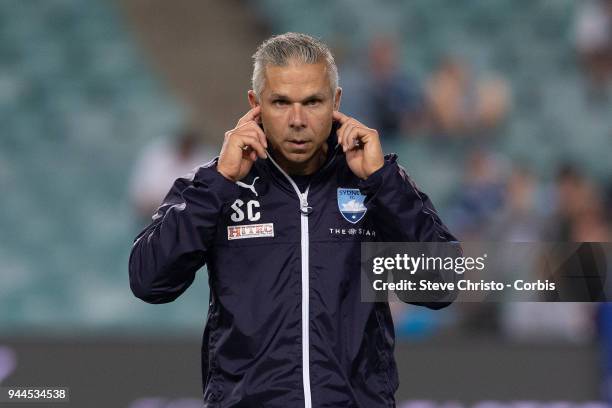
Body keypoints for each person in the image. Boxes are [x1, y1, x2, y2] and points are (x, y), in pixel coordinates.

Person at [129, 32, 458, 407]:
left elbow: (441, 286)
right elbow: (148, 281)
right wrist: (219, 184)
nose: (298, 120)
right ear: (255, 104)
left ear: (336, 102)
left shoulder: (375, 181)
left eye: (313, 102)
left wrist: (382, 182)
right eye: (281, 102)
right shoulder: (215, 184)